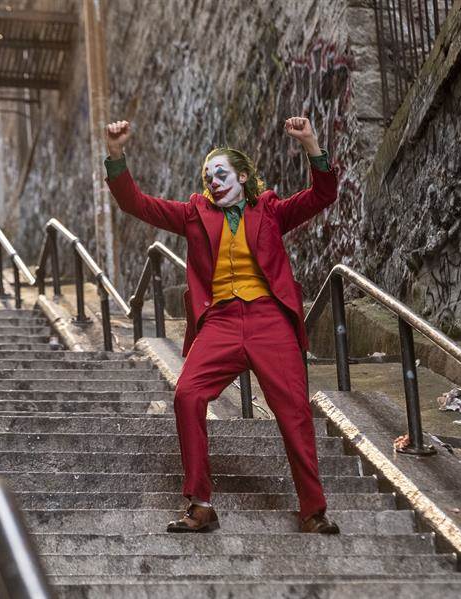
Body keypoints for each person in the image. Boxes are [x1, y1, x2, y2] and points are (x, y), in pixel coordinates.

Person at [104, 116, 340, 534]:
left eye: (222, 174)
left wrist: (311, 143)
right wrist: (116, 154)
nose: (213, 182)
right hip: (220, 321)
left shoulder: (269, 209)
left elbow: (323, 194)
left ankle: (313, 510)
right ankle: (201, 504)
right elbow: (135, 204)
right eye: (208, 177)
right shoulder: (194, 213)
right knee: (188, 394)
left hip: (269, 319)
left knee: (294, 410)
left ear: (243, 177)